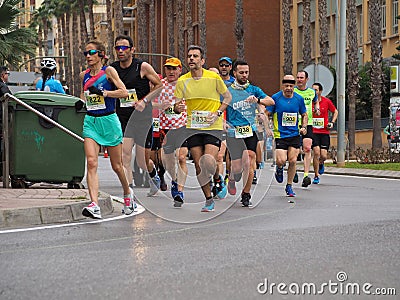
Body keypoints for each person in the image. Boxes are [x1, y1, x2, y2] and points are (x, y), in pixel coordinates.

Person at [174, 45, 232, 212]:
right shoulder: (183, 80)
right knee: (199, 166)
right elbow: (178, 106)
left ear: (202, 60)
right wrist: (178, 107)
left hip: (212, 126)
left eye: (195, 56)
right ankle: (208, 199)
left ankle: (217, 177)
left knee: (208, 161)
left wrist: (218, 113)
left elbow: (228, 96)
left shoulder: (213, 77)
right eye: (189, 56)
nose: (191, 59)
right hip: (193, 127)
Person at [79, 40, 133, 219]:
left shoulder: (108, 72)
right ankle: (94, 204)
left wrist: (104, 93)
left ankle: (127, 193)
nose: (88, 56)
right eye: (85, 53)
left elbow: (124, 92)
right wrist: (81, 102)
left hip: (109, 121)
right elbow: (84, 95)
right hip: (91, 122)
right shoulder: (83, 75)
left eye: (91, 52)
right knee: (92, 162)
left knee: (117, 166)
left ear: (101, 54)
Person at [110, 35, 163, 198]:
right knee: (124, 155)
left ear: (132, 50)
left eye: (124, 48)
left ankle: (154, 175)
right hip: (123, 117)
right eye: (117, 48)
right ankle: (129, 191)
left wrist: (144, 101)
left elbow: (159, 86)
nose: (120, 51)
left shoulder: (142, 67)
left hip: (142, 118)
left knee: (142, 160)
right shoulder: (112, 69)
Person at [225, 60, 274, 206]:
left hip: (249, 130)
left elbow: (271, 101)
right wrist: (222, 121)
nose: (244, 75)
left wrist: (258, 100)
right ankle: (232, 178)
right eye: (241, 72)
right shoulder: (227, 90)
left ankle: (246, 194)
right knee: (237, 167)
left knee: (251, 160)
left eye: (246, 72)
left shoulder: (253, 89)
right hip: (233, 132)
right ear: (234, 73)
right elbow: (219, 106)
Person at [266, 75, 308, 198]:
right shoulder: (276, 98)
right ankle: (279, 168)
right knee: (281, 160)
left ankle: (289, 186)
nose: (289, 88)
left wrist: (304, 127)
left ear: (294, 86)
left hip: (294, 134)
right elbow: (267, 113)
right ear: (282, 86)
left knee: (293, 160)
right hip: (280, 134)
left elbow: (304, 114)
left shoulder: (299, 99)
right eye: (286, 86)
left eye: (291, 86)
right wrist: (267, 127)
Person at [156, 58, 189, 207]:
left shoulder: (186, 84)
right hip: (165, 127)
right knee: (167, 160)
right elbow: (149, 101)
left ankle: (180, 191)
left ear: (180, 70)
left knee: (181, 157)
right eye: (168, 68)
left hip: (182, 126)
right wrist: (159, 104)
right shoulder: (160, 85)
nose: (171, 71)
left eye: (174, 68)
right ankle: (175, 180)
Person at [294, 70, 319, 187]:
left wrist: (317, 108)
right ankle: (293, 170)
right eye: (298, 77)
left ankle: (306, 175)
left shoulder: (312, 92)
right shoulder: (292, 91)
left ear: (306, 79)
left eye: (301, 78)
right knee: (294, 150)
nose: (299, 80)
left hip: (307, 123)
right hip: (293, 123)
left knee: (307, 148)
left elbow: (316, 101)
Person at [311, 82, 338, 184]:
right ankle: (316, 175)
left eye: (316, 90)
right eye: (312, 90)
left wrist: (332, 122)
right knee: (316, 153)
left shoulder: (326, 101)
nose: (314, 92)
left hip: (324, 132)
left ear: (320, 91)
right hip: (313, 131)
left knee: (324, 155)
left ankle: (321, 163)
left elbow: (335, 111)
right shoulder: (310, 102)